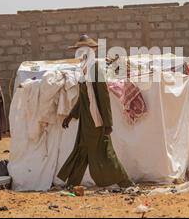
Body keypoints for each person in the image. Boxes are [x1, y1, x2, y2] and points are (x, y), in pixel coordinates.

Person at [57, 34, 133, 188]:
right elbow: (83, 99)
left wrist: (108, 123)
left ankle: (126, 182)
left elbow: (103, 97)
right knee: (82, 151)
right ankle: (72, 183)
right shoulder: (84, 71)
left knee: (105, 154)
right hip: (86, 122)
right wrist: (70, 116)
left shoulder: (95, 70)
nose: (79, 53)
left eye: (82, 50)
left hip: (96, 122)